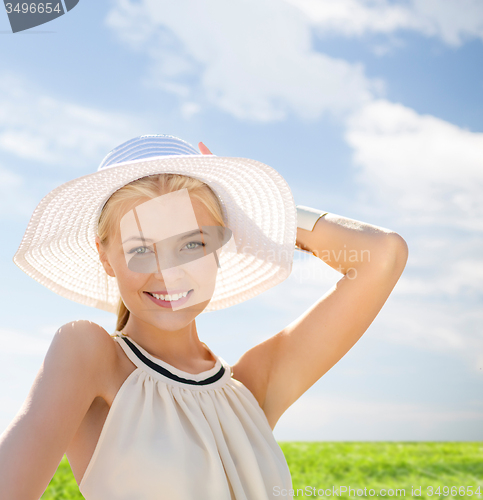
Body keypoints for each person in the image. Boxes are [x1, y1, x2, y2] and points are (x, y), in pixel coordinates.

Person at [0, 135, 408, 499]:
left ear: (220, 245)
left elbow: (382, 255)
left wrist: (256, 215)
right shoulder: (89, 354)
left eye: (192, 243)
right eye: (141, 249)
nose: (169, 272)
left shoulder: (252, 387)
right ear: (106, 257)